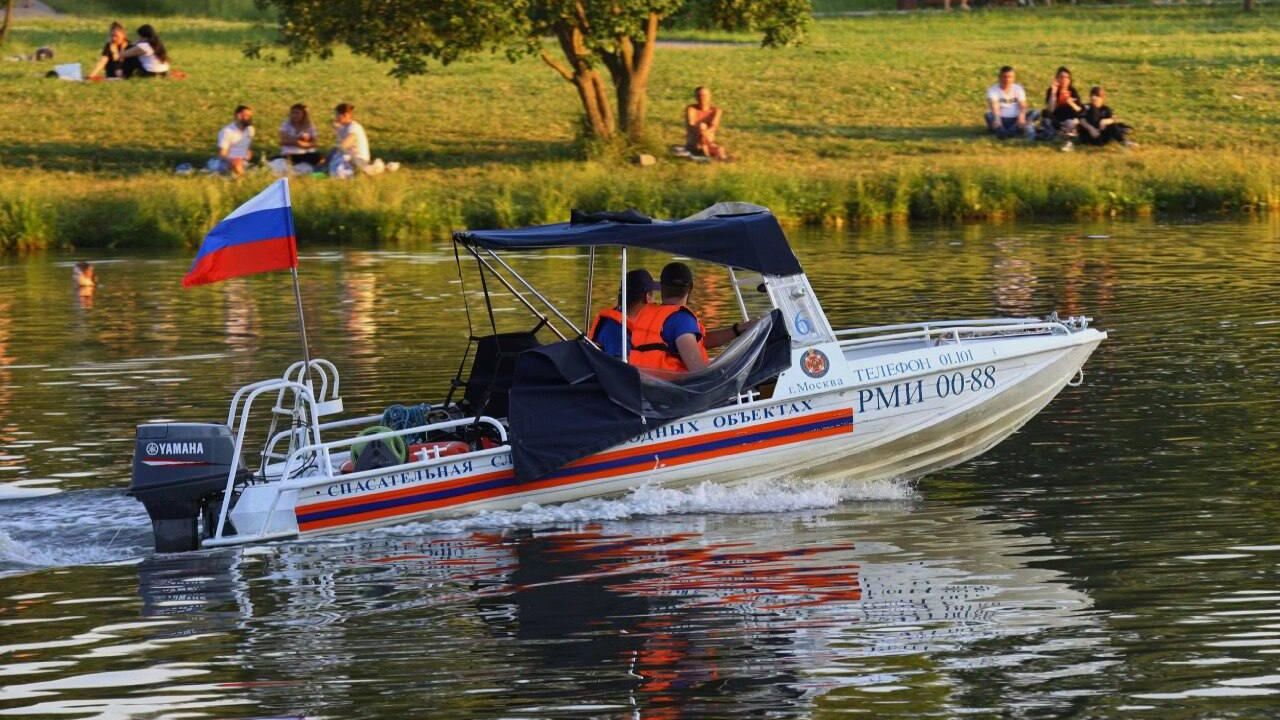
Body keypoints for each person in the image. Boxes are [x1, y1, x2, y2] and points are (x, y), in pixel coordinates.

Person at [629, 262, 756, 373]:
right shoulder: (681, 320)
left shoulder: (648, 314)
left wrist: (737, 330)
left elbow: (697, 342)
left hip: (647, 390)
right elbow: (698, 370)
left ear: (662, 286)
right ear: (690, 288)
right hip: (677, 395)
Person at [588, 269, 660, 360]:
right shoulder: (618, 331)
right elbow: (620, 369)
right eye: (653, 295)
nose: (655, 302)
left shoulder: (620, 320)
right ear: (648, 297)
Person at [985, 66, 1037, 140]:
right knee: (988, 115)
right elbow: (994, 105)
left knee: (1035, 112)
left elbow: (1022, 104)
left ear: (1014, 78)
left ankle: (1005, 132)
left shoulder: (1018, 88)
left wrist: (1021, 116)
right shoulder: (993, 90)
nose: (1007, 79)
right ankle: (1008, 130)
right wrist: (997, 119)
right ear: (999, 77)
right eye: (1004, 77)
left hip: (1015, 119)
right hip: (1001, 118)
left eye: (1010, 77)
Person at [275, 103, 324, 169]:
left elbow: (315, 143)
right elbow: (282, 141)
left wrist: (304, 144)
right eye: (293, 113)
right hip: (290, 153)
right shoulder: (286, 124)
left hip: (306, 153)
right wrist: (297, 142)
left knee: (319, 157)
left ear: (303, 114)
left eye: (297, 113)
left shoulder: (309, 126)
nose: (294, 115)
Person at [1043, 66, 1083, 147]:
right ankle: (1065, 131)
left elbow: (1080, 109)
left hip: (1070, 118)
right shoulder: (1051, 90)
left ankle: (1065, 132)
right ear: (1057, 79)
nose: (1064, 80)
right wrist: (1053, 93)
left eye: (1067, 77)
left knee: (1075, 118)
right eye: (1061, 77)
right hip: (1057, 119)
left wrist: (1070, 102)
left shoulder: (1072, 91)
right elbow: (1050, 110)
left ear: (1070, 80)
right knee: (1045, 113)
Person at [685, 86, 727, 160]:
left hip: (709, 142)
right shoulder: (691, 109)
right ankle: (705, 152)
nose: (702, 98)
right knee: (702, 126)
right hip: (694, 142)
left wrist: (704, 134)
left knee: (720, 150)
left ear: (709, 97)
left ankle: (707, 153)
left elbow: (714, 126)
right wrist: (701, 131)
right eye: (699, 95)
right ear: (695, 97)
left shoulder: (716, 111)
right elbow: (691, 124)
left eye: (704, 95)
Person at [329, 102, 371, 177]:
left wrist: (338, 132)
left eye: (337, 115)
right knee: (331, 166)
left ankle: (362, 172)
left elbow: (344, 145)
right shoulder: (343, 128)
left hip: (359, 160)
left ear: (345, 115)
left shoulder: (354, 127)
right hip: (350, 158)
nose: (335, 118)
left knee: (337, 168)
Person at [214, 105, 255, 176]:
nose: (250, 118)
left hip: (244, 161)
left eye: (250, 116)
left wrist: (248, 155)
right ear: (238, 116)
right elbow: (222, 154)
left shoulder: (250, 130)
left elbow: (249, 147)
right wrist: (233, 161)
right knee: (237, 165)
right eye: (247, 116)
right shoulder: (226, 132)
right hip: (228, 163)